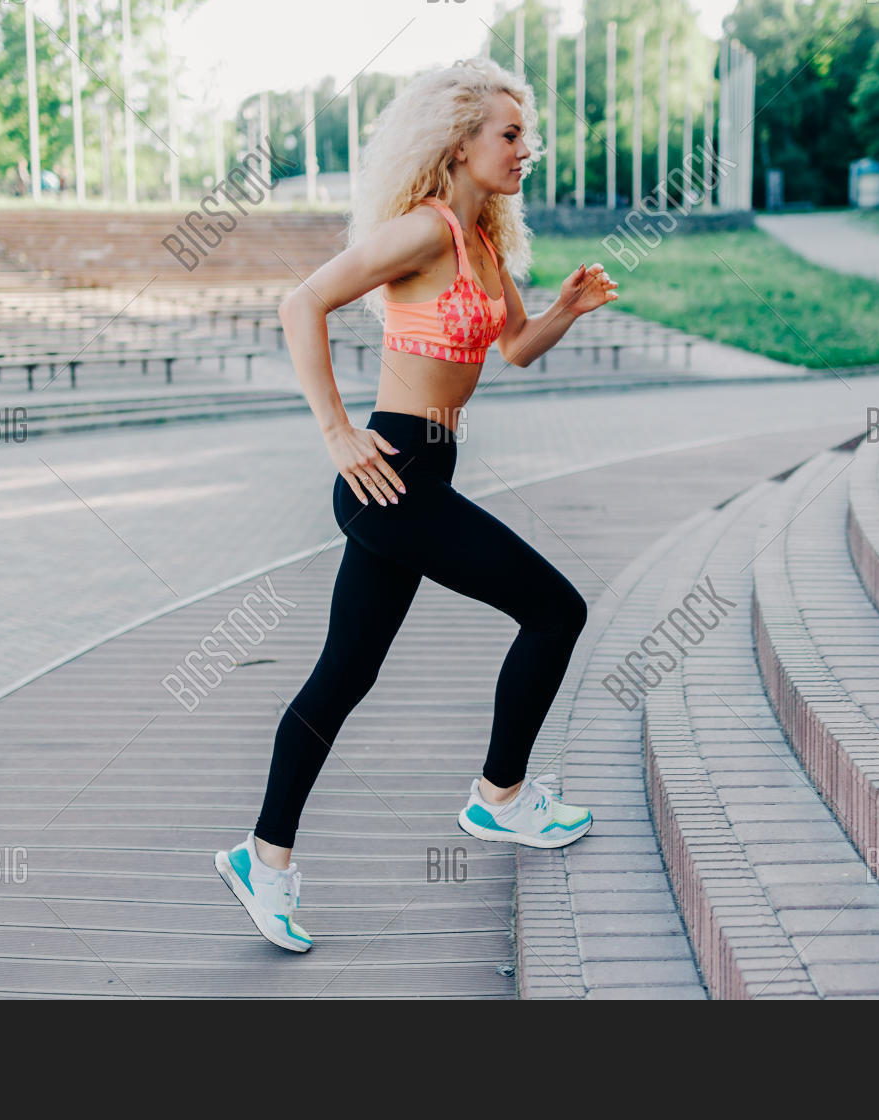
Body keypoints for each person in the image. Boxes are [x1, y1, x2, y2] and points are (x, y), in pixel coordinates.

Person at [214, 56, 619, 953]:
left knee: (343, 677)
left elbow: (512, 347)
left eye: (527, 135)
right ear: (458, 142)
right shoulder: (426, 231)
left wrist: (567, 310)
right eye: (509, 135)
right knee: (556, 609)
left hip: (425, 476)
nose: (526, 150)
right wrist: (335, 432)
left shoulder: (485, 243)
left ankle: (262, 859)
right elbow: (302, 302)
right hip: (387, 472)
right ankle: (500, 799)